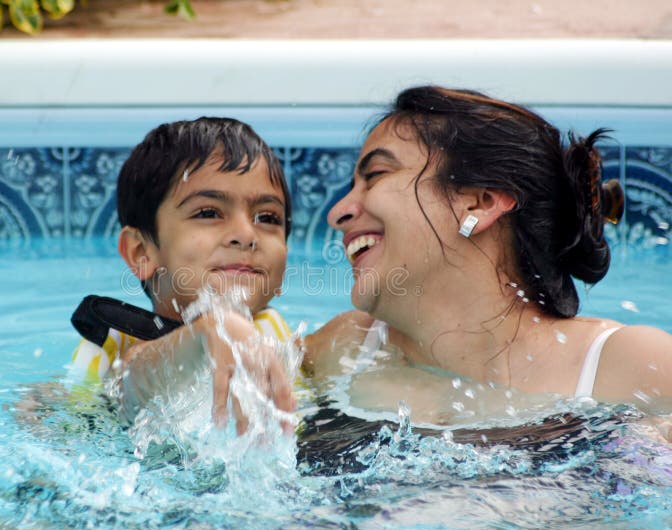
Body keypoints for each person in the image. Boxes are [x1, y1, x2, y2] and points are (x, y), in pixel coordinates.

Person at [304, 85, 672, 417]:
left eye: (377, 174)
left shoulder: (629, 367)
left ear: (479, 204)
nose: (339, 213)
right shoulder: (345, 349)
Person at [68, 117, 297, 434]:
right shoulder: (119, 349)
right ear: (141, 253)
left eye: (267, 217)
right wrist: (209, 333)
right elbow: (135, 383)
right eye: (208, 213)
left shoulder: (283, 340)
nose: (246, 235)